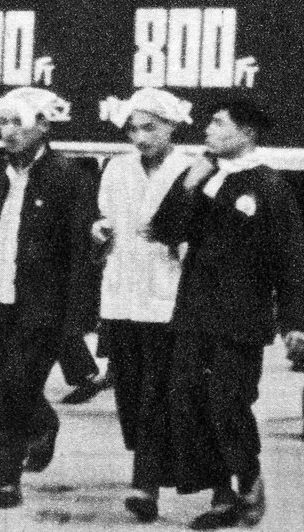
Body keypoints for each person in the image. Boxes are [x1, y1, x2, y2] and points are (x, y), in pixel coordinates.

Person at [149, 97, 304, 530]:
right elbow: (163, 229)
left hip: (241, 319)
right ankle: (220, 494)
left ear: (246, 134)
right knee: (190, 402)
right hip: (194, 313)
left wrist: (296, 321)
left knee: (228, 403)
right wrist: (187, 185)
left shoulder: (270, 186)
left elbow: (292, 259)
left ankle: (250, 480)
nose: (207, 129)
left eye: (219, 123)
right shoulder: (203, 177)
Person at [0, 87, 94, 509]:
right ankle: (45, 424)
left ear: (44, 126)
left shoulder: (69, 177)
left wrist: (78, 317)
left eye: (19, 122)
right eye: (3, 122)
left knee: (14, 388)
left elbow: (80, 251)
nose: (9, 131)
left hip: (42, 307)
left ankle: (4, 477)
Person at [94, 88, 195, 522]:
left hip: (168, 298)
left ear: (171, 127)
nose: (139, 137)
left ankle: (146, 483)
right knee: (131, 393)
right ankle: (151, 465)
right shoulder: (116, 168)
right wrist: (98, 230)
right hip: (121, 295)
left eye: (149, 128)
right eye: (133, 128)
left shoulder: (189, 170)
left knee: (156, 391)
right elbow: (102, 217)